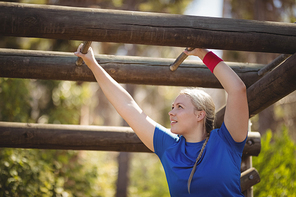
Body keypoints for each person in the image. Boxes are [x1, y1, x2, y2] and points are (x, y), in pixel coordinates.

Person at [74, 45, 249, 196]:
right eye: (172, 107)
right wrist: (93, 64)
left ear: (199, 114)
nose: (171, 112)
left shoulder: (227, 141)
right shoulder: (169, 147)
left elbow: (237, 89)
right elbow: (127, 105)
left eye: (179, 107)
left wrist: (203, 54)